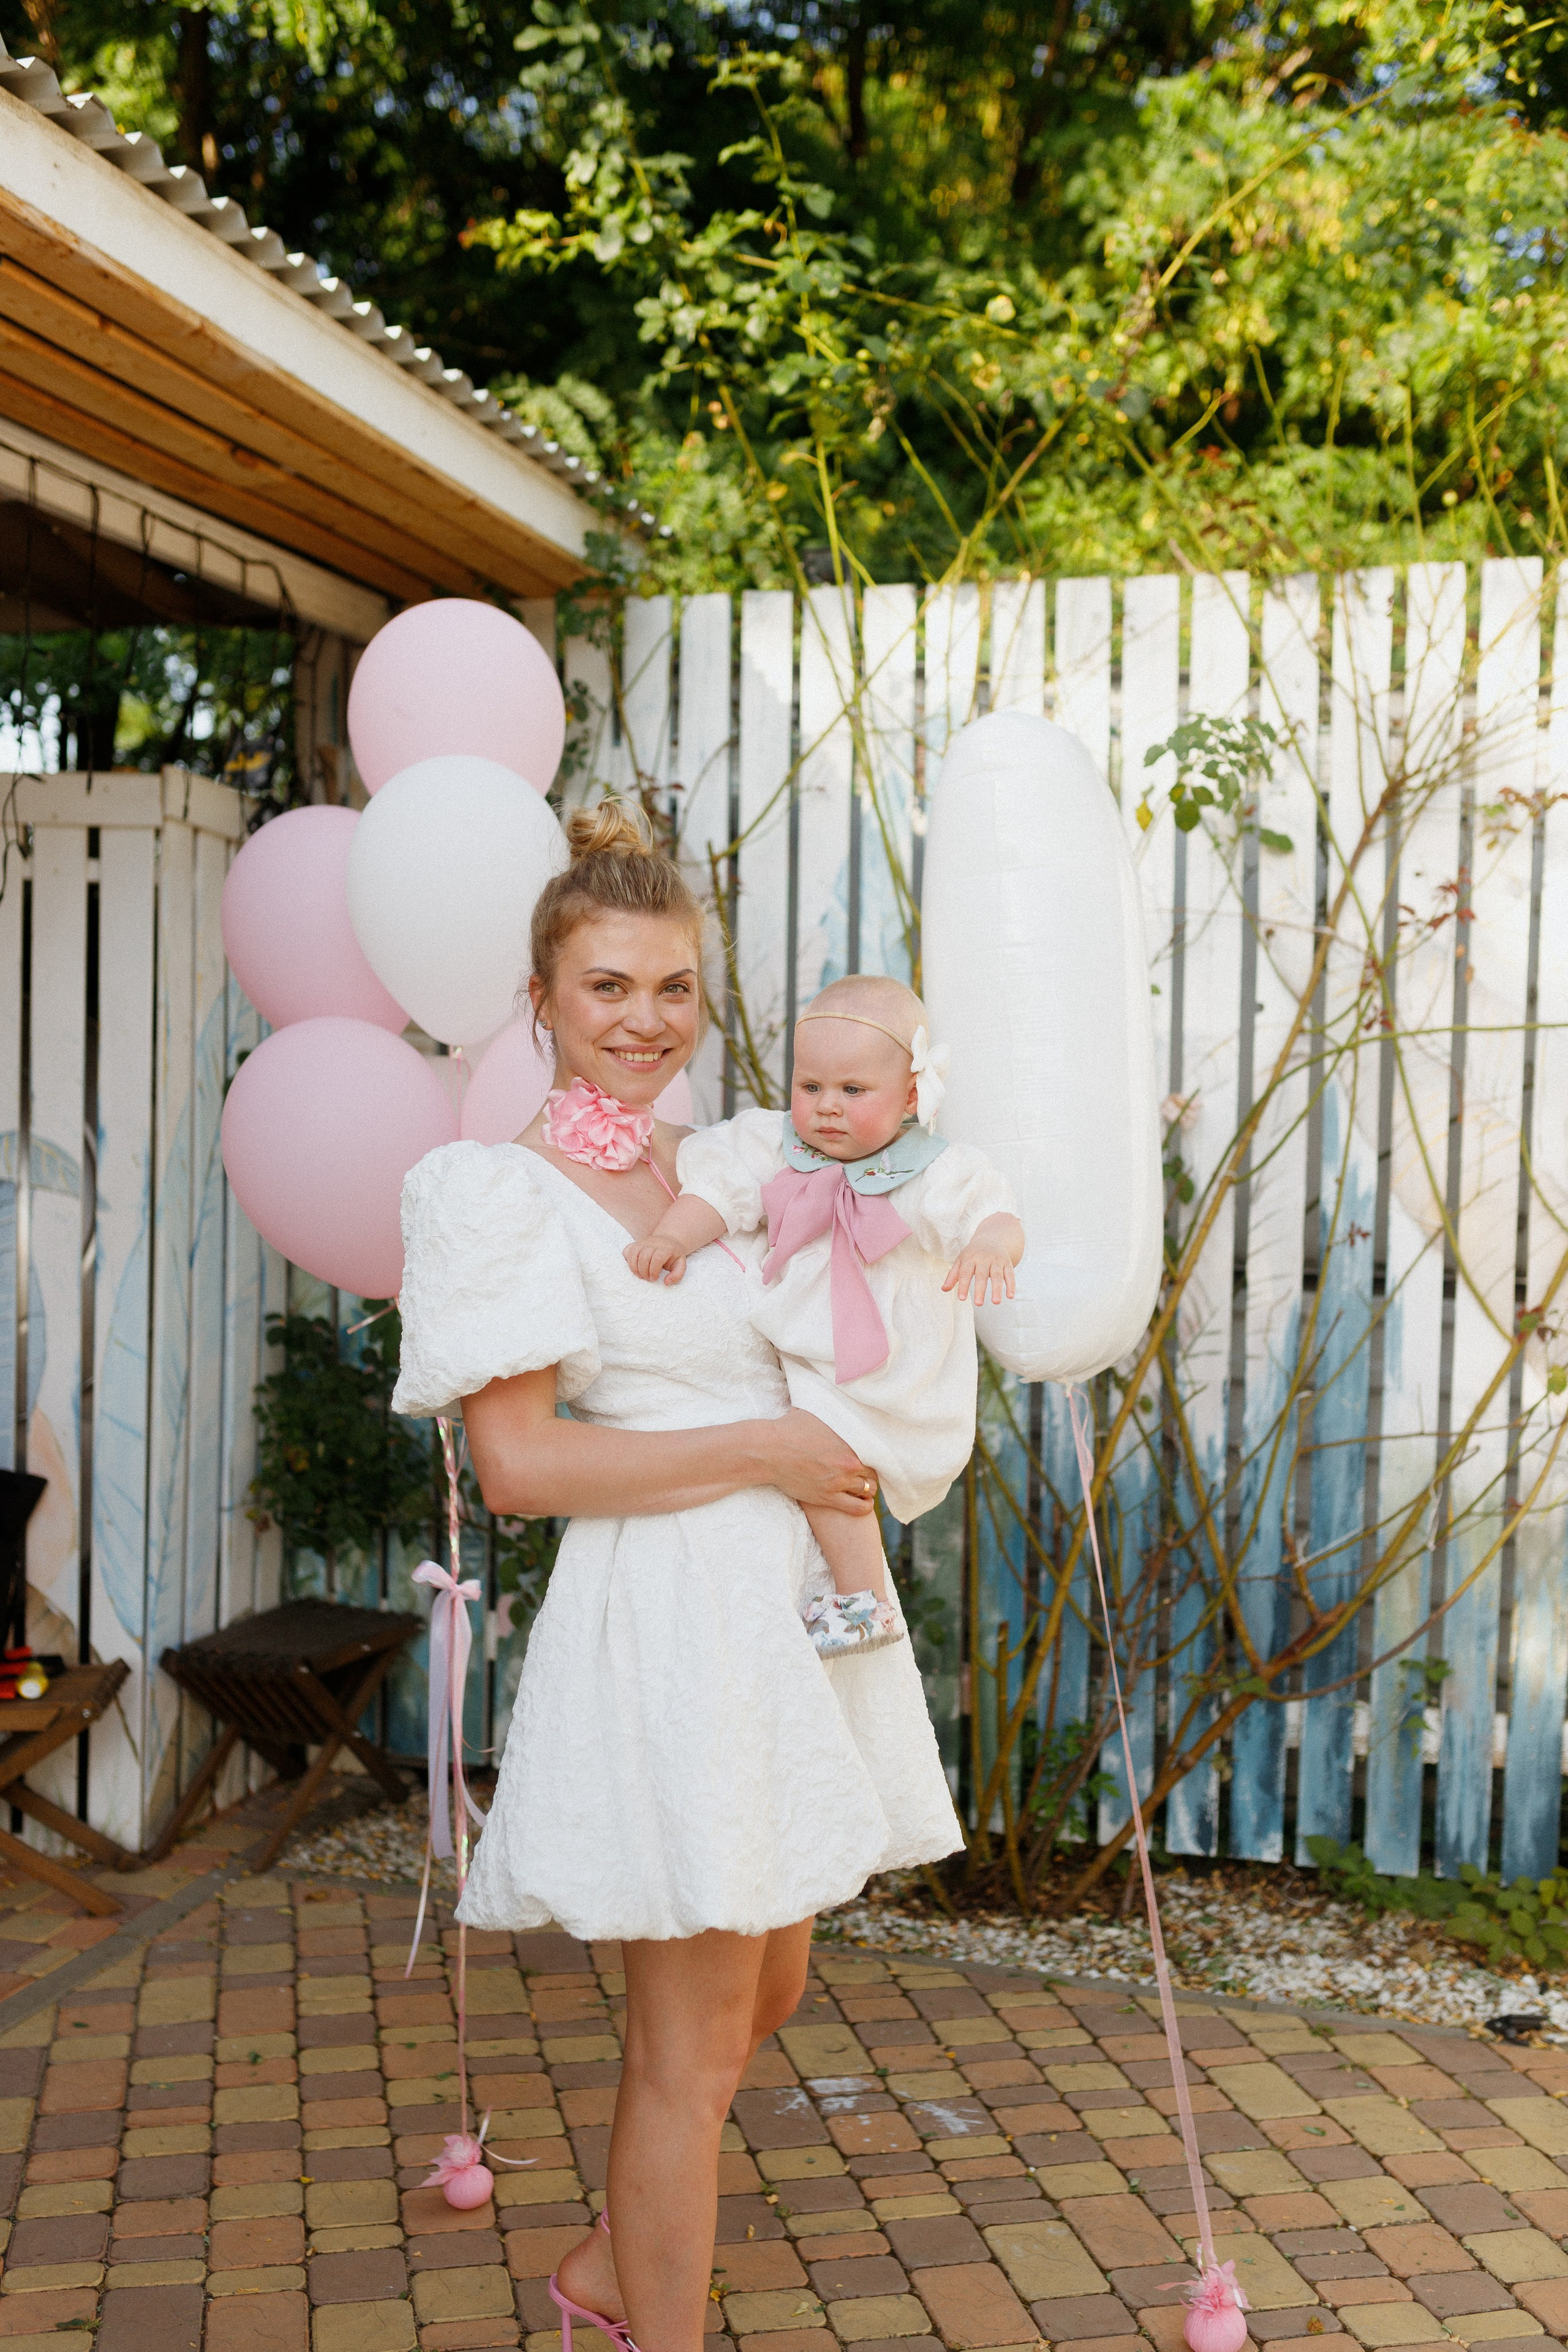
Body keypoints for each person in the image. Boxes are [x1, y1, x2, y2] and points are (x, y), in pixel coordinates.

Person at [391, 803, 963, 2352]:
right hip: (663, 1618)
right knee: (686, 2039)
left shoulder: (719, 1165)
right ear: (541, 1001)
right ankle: (645, 2320)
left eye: (671, 988)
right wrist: (768, 1449)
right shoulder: (490, 1190)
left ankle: (601, 2259)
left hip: (781, 1610)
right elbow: (522, 1469)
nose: (642, 1021)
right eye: (605, 988)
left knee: (763, 1988)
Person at [624, 974, 1024, 1657]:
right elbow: (719, 1191)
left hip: (889, 1368)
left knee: (826, 1462)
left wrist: (990, 1245)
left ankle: (864, 1601)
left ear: (909, 1096)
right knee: (822, 1455)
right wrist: (672, 1235)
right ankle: (861, 1599)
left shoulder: (931, 1170)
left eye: (852, 1091)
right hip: (816, 1356)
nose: (826, 1109)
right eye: (810, 1088)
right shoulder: (772, 1145)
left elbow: (991, 1214)